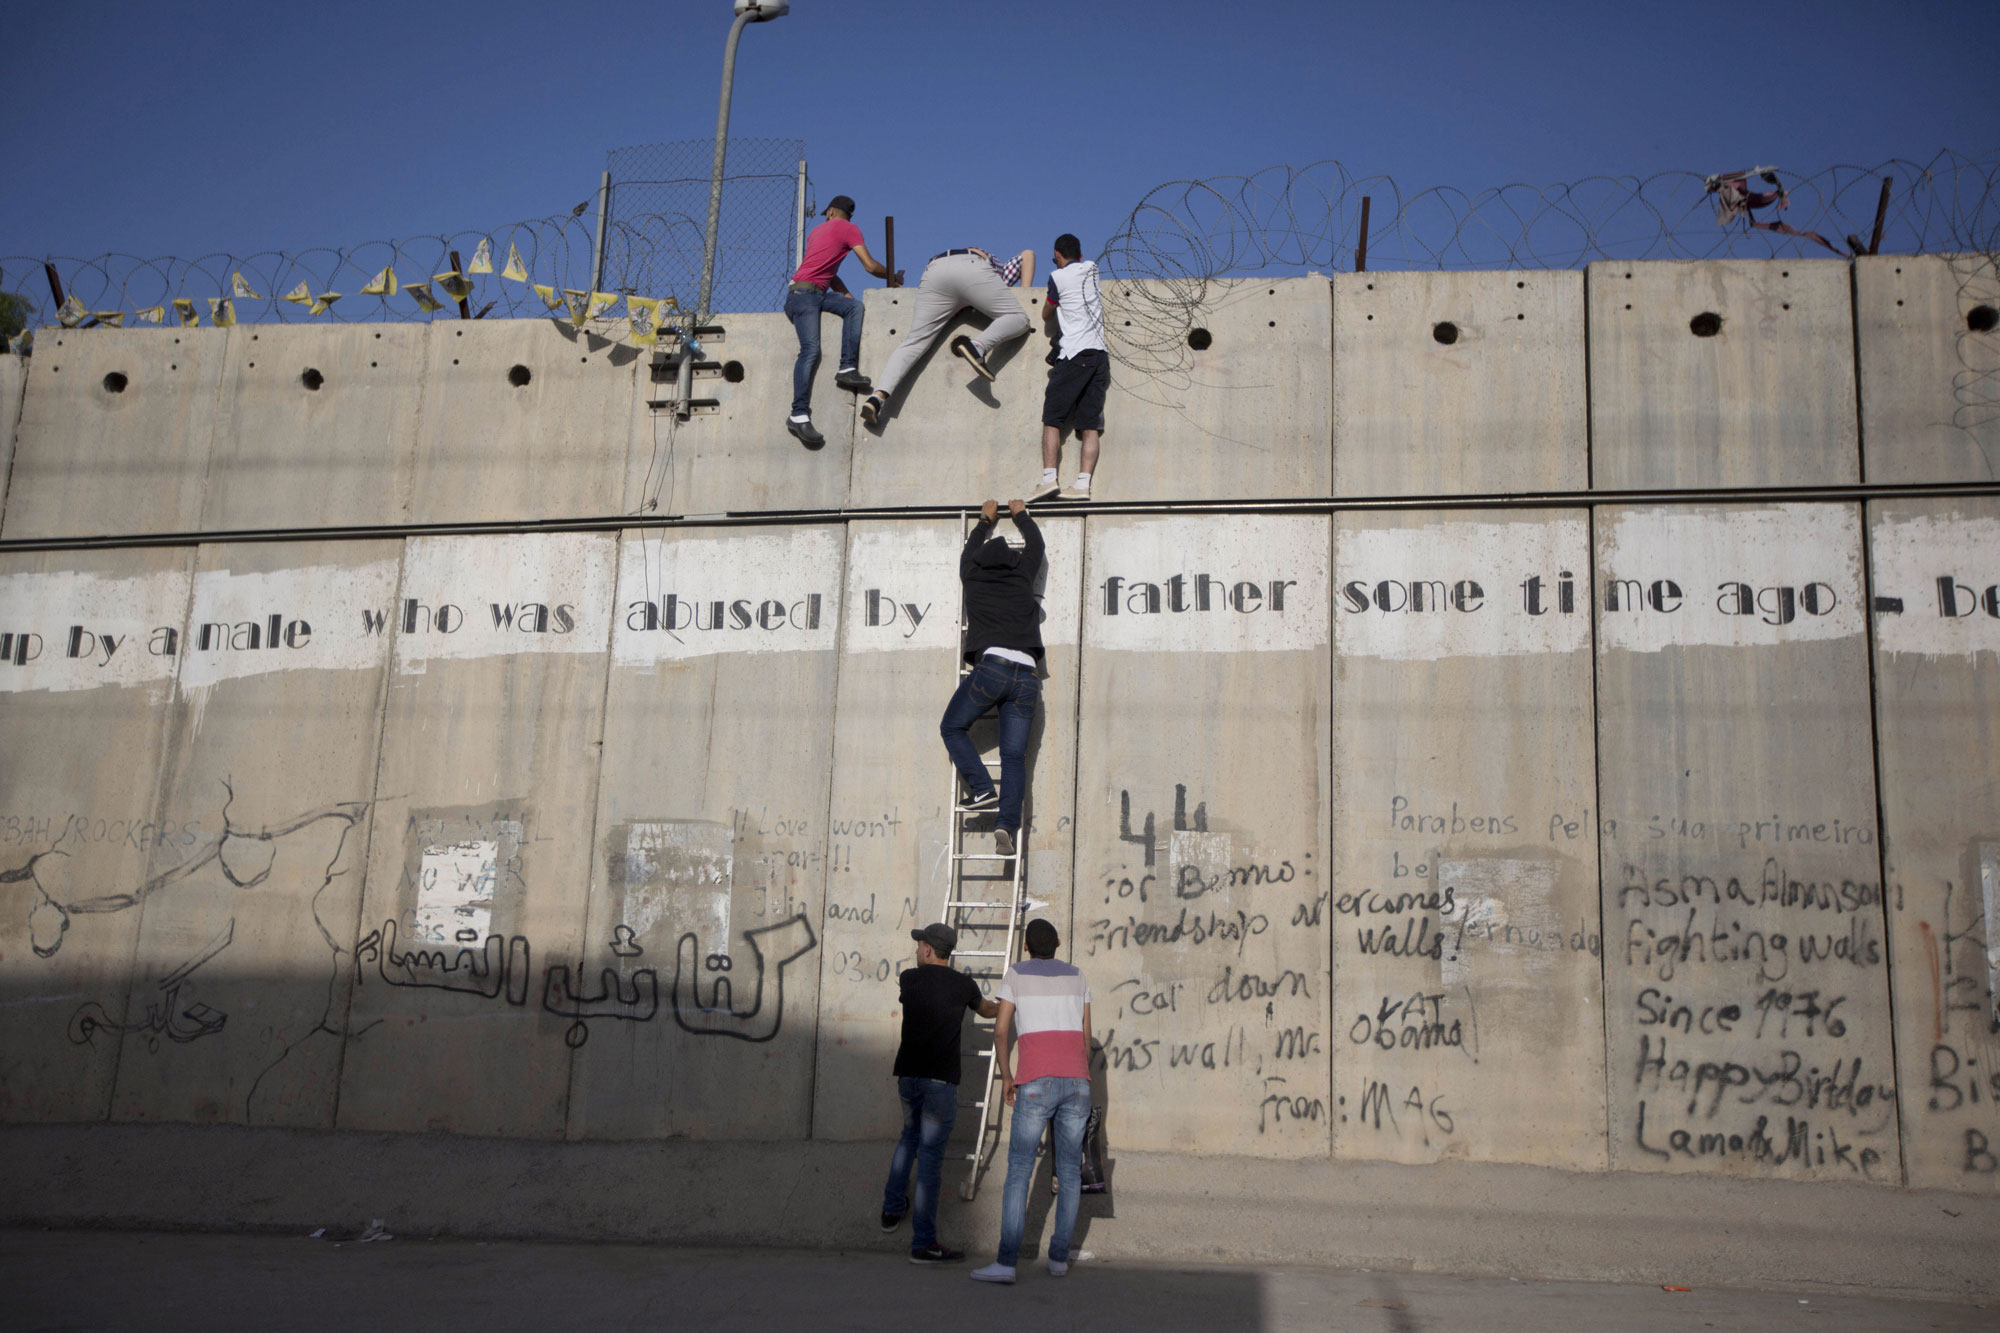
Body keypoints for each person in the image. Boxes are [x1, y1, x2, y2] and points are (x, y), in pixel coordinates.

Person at [970, 919, 1093, 1285]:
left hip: (1036, 1081)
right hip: (1077, 1082)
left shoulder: (1016, 975)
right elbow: (1087, 1035)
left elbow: (1002, 1029)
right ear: (1057, 942)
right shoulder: (1078, 976)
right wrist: (1081, 1078)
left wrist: (1008, 1076)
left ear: (1026, 947)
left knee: (1020, 1169)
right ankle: (1058, 1259)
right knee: (1070, 1171)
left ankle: (1007, 1263)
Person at [883, 922, 997, 1265]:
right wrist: (1010, 1002)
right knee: (930, 1158)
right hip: (940, 1083)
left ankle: (891, 1211)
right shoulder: (963, 986)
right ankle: (923, 1243)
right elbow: (988, 1010)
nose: (917, 950)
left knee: (908, 1138)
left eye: (920, 945)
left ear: (929, 950)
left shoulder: (909, 979)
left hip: (909, 1077)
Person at [941, 498, 1043, 858]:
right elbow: (1037, 547)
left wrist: (986, 521)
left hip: (993, 667)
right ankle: (1006, 825)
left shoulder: (972, 575)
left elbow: (968, 553)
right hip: (1028, 675)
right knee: (1014, 757)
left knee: (952, 728)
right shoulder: (1021, 575)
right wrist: (1022, 516)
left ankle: (982, 788)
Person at [859, 246, 1037, 427]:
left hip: (934, 270)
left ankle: (876, 398)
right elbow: (1027, 254)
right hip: (972, 266)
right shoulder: (1000, 277)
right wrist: (1025, 293)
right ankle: (978, 346)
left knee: (914, 343)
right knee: (1019, 318)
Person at [786, 194, 889, 448]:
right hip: (804, 296)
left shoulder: (819, 232)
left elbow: (828, 275)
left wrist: (846, 299)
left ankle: (846, 368)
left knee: (854, 307)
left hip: (810, 293)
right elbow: (870, 266)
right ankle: (798, 414)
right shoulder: (850, 229)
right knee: (810, 350)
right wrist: (892, 276)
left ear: (830, 211)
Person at [1029, 233, 1108, 503]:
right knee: (1090, 425)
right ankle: (1082, 484)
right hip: (1099, 355)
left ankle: (1049, 479)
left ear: (1057, 255)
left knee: (1052, 419)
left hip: (1074, 354)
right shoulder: (1092, 269)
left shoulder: (1057, 277)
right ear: (1081, 255)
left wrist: (1056, 300)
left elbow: (1046, 313)